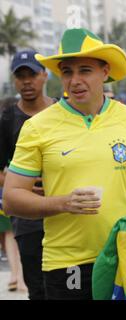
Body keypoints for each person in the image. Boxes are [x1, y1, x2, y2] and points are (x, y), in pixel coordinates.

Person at [2, 28, 126, 300]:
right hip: (67, 263)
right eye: (67, 72)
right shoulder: (37, 127)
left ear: (105, 72)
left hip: (124, 257)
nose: (75, 80)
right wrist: (63, 203)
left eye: (85, 70)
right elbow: (11, 199)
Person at [0, 50, 55, 299]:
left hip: (67, 216)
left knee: (72, 286)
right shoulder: (7, 118)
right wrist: (22, 187)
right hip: (28, 220)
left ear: (44, 75)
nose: (26, 81)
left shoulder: (63, 111)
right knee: (38, 288)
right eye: (20, 76)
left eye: (31, 74)